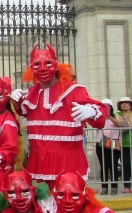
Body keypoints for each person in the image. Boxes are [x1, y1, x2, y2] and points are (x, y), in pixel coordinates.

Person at [11, 43, 108, 187]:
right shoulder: (31, 94)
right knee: (42, 205)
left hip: (68, 161)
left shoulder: (74, 90)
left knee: (69, 203)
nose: (43, 68)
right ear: (31, 69)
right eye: (37, 65)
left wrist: (92, 111)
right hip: (39, 161)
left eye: (48, 63)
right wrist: (14, 100)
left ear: (56, 65)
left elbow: (100, 120)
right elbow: (16, 112)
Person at [95, 99, 120, 195]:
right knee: (104, 166)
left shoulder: (115, 116)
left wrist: (109, 115)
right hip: (100, 144)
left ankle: (114, 187)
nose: (105, 108)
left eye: (107, 106)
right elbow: (95, 125)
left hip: (113, 144)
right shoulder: (98, 117)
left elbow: (118, 124)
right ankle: (104, 187)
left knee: (113, 166)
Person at [114, 96, 132, 193]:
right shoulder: (118, 113)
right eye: (122, 103)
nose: (124, 104)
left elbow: (129, 125)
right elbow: (118, 123)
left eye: (126, 102)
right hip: (124, 144)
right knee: (125, 165)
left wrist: (126, 118)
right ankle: (126, 186)